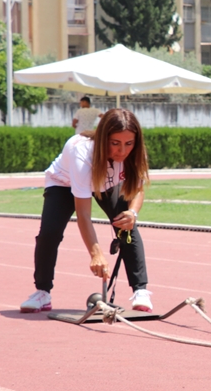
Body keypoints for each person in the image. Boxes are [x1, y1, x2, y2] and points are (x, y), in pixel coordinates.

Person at [20, 108, 155, 313]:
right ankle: (42, 292)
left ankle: (140, 290)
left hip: (104, 184)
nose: (122, 151)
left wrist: (132, 213)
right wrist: (96, 253)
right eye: (115, 143)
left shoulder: (134, 151)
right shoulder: (81, 150)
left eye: (128, 143)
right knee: (50, 232)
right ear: (103, 139)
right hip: (63, 184)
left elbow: (137, 188)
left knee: (125, 223)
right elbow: (83, 213)